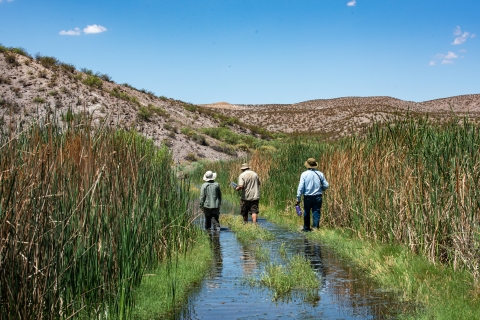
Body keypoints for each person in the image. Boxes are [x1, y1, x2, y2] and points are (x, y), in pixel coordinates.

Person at [296, 158, 329, 232]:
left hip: (308, 197)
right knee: (316, 212)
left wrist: (298, 198)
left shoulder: (304, 174)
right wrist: (322, 189)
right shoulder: (320, 174)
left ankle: (306, 228)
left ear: (307, 165)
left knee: (306, 212)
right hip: (318, 196)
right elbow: (326, 185)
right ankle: (315, 228)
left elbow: (300, 187)